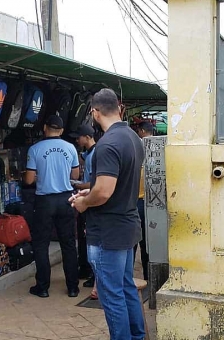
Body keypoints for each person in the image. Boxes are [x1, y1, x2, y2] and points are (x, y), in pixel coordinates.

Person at [69, 88, 145, 340]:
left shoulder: (107, 144)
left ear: (94, 112)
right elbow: (113, 182)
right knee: (125, 289)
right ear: (119, 108)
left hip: (108, 233)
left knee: (112, 296)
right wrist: (86, 194)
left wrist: (83, 204)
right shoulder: (133, 138)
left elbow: (103, 192)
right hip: (127, 225)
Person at [24, 115, 81, 298]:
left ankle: (43, 287)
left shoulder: (35, 149)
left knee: (41, 244)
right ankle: (73, 288)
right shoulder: (70, 148)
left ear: (45, 128)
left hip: (45, 201)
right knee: (69, 244)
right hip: (66, 199)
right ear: (62, 131)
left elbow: (29, 179)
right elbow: (76, 174)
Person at [68, 124, 97, 290]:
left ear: (86, 137)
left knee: (88, 238)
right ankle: (86, 271)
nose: (77, 140)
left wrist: (74, 184)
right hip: (87, 199)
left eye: (78, 137)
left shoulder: (95, 155)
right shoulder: (89, 153)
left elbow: (93, 183)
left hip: (89, 201)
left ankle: (93, 276)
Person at [135, 121, 154, 280]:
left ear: (141, 131)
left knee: (132, 240)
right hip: (151, 202)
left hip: (136, 201)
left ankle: (128, 277)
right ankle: (148, 276)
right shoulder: (158, 147)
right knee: (147, 242)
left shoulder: (136, 146)